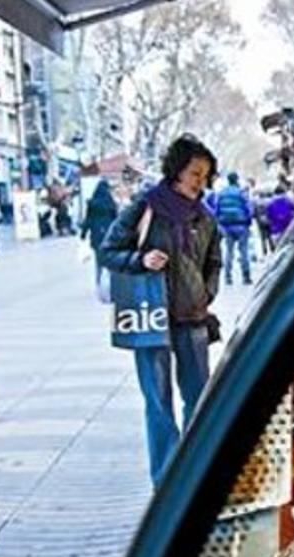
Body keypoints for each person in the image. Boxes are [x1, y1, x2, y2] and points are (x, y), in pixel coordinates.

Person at [101, 135, 222, 485]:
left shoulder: (206, 217)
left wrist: (205, 294)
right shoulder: (146, 206)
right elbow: (109, 250)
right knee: (158, 403)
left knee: (198, 400)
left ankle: (195, 471)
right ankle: (167, 480)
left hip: (193, 320)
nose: (200, 181)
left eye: (205, 174)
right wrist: (141, 260)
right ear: (176, 171)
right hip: (150, 320)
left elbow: (214, 262)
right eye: (195, 173)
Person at [213, 171, 254, 285]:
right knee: (244, 251)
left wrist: (219, 223)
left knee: (229, 252)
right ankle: (246, 276)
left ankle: (227, 277)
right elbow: (249, 209)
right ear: (237, 180)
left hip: (227, 227)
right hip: (241, 226)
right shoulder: (242, 193)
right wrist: (248, 222)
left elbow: (216, 210)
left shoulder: (221, 193)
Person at [81, 179, 119, 292]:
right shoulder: (110, 203)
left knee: (98, 261)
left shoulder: (92, 203)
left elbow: (87, 220)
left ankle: (99, 283)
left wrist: (83, 234)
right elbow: (116, 220)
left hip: (96, 235)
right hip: (109, 235)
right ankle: (113, 283)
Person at [266, 183, 294, 247]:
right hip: (289, 227)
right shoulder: (287, 200)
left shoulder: (270, 204)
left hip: (277, 230)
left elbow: (269, 217)